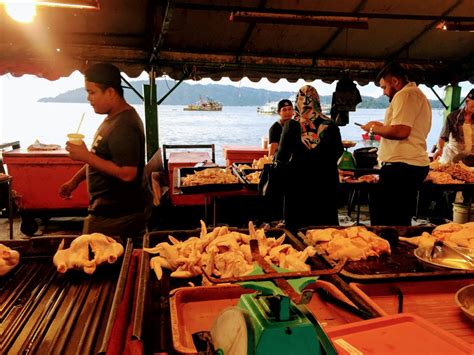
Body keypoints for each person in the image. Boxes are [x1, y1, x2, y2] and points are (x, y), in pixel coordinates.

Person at [59, 63, 152, 239]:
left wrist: (85, 155)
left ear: (110, 92)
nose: (88, 98)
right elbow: (101, 158)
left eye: (92, 92)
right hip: (107, 211)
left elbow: (127, 173)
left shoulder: (124, 125)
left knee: (100, 262)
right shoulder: (112, 119)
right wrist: (75, 180)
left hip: (118, 217)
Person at [361, 63, 432, 226]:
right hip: (408, 165)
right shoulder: (415, 94)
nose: (384, 92)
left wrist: (374, 128)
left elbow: (401, 131)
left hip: (402, 166)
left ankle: (392, 248)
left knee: (387, 221)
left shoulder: (405, 95)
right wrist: (379, 125)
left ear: (395, 81)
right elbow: (404, 127)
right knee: (398, 219)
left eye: (384, 87)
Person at [275, 85, 343, 231]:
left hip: (298, 188)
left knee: (298, 233)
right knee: (326, 233)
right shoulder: (330, 125)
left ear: (297, 102)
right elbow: (338, 151)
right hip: (326, 186)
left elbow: (281, 157)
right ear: (317, 100)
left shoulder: (291, 125)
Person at [433, 89, 474, 164]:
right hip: (452, 155)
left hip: (470, 160)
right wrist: (440, 149)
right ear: (467, 101)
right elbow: (443, 136)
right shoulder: (452, 117)